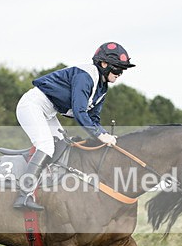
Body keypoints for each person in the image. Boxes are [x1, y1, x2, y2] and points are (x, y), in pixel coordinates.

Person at [12, 42, 135, 211]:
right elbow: (80, 112)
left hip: (48, 112)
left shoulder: (102, 88)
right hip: (32, 105)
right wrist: (99, 135)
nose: (120, 74)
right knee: (46, 145)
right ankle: (24, 195)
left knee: (62, 145)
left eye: (122, 70)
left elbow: (94, 118)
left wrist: (106, 135)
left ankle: (48, 188)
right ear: (104, 64)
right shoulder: (86, 76)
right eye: (117, 69)